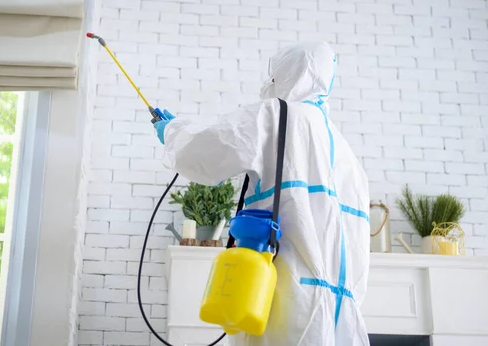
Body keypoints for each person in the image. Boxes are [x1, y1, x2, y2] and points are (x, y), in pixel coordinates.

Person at [154, 41, 370, 346]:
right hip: (341, 315)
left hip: (284, 298)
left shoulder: (276, 115)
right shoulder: (348, 155)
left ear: (287, 73)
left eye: (273, 74)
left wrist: (172, 132)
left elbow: (206, 154)